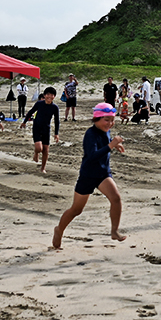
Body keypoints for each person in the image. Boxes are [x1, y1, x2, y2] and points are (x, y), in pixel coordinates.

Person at [52, 103, 126, 247]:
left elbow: (103, 144)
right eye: (106, 120)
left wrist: (113, 144)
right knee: (76, 210)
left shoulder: (106, 130)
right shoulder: (90, 134)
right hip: (88, 175)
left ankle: (114, 231)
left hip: (103, 174)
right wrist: (111, 146)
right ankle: (59, 230)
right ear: (96, 119)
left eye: (112, 120)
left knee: (116, 198)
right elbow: (92, 156)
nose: (110, 123)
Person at [20, 86, 60, 172]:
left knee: (46, 150)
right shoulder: (39, 104)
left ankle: (43, 168)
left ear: (54, 96)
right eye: (48, 94)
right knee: (39, 148)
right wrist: (24, 122)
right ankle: (36, 153)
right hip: (37, 127)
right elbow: (30, 112)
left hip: (46, 129)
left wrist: (56, 133)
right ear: (44, 95)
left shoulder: (55, 107)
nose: (50, 96)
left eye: (52, 95)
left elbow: (57, 121)